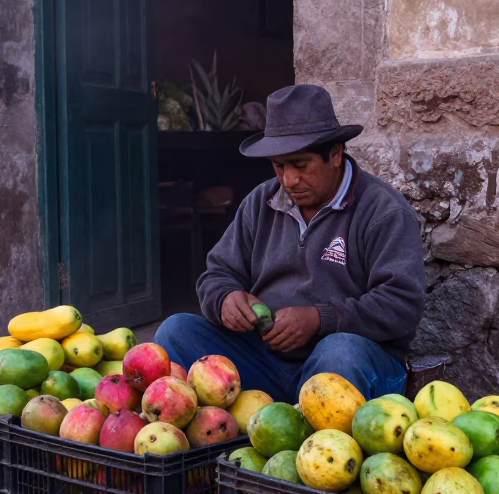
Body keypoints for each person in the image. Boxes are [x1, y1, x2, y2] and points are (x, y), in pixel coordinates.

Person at [155, 84, 426, 402]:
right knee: (175, 332)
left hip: (352, 364)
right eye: (279, 166)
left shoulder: (382, 211)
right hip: (265, 359)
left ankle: (318, 444)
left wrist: (319, 319)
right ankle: (230, 434)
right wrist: (225, 299)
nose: (289, 180)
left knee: (339, 352)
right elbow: (217, 274)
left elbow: (401, 305)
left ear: (336, 153)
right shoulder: (260, 201)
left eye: (300, 165)